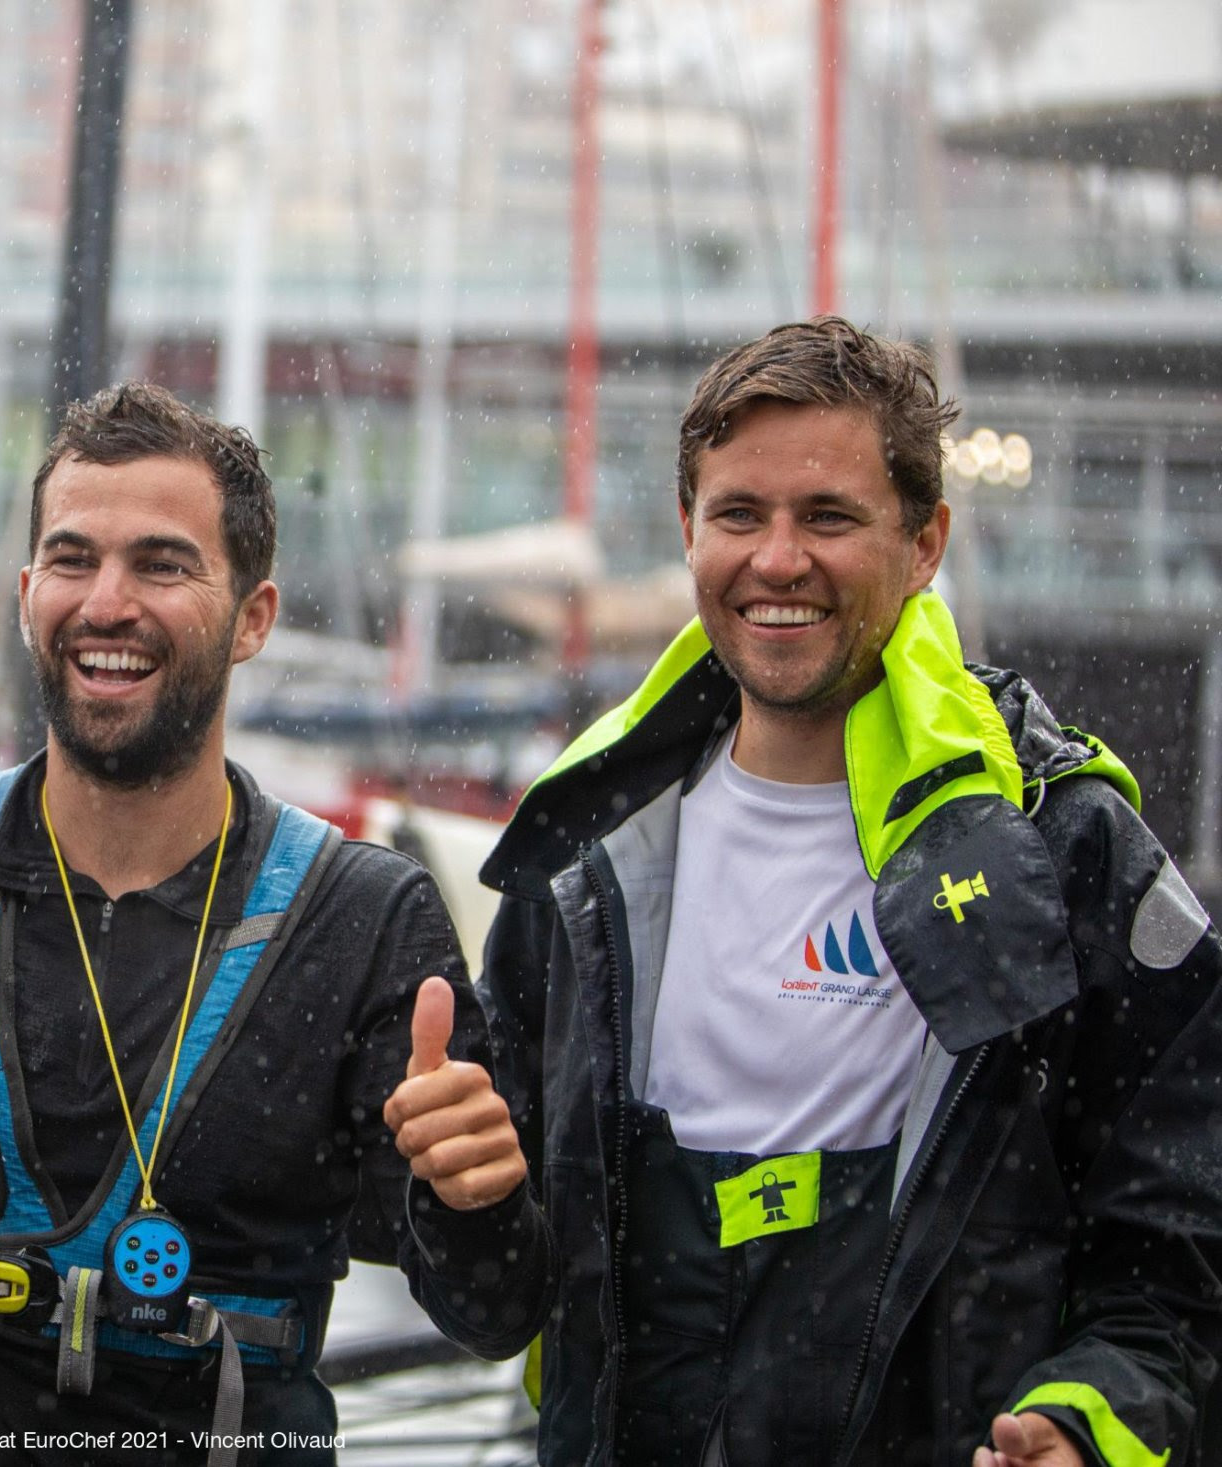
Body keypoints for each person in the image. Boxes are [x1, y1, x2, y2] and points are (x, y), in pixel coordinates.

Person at [0, 382, 548, 1464]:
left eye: (162, 564)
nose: (107, 601)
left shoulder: (362, 916)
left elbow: (493, 1313)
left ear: (254, 618)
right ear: (25, 591)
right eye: (73, 558)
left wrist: (478, 1197)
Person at [476, 316, 1222, 1466]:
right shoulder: (589, 856)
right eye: (739, 516)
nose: (778, 560)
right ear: (688, 531)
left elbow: (1181, 1244)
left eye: (828, 517)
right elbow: (498, 1294)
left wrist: (1089, 1417)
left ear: (924, 543)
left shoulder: (1059, 850)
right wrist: (450, 1195)